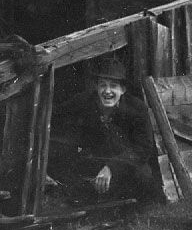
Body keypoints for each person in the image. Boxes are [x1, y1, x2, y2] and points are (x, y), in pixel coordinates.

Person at [50, 57, 163, 203]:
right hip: (95, 164)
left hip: (125, 166)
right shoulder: (84, 101)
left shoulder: (137, 108)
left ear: (123, 90)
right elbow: (56, 115)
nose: (107, 91)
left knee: (143, 177)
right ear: (96, 87)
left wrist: (112, 168)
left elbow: (143, 148)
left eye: (113, 86)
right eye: (102, 85)